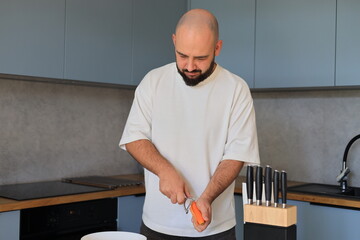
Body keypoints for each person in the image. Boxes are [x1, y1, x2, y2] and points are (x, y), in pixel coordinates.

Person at [119, 9, 260, 239]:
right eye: (182, 55)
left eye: (201, 58)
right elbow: (134, 137)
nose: (190, 66)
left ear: (217, 48)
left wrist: (206, 198)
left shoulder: (236, 89)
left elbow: (237, 153)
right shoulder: (153, 82)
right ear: (174, 41)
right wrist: (164, 170)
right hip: (157, 226)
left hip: (216, 229)